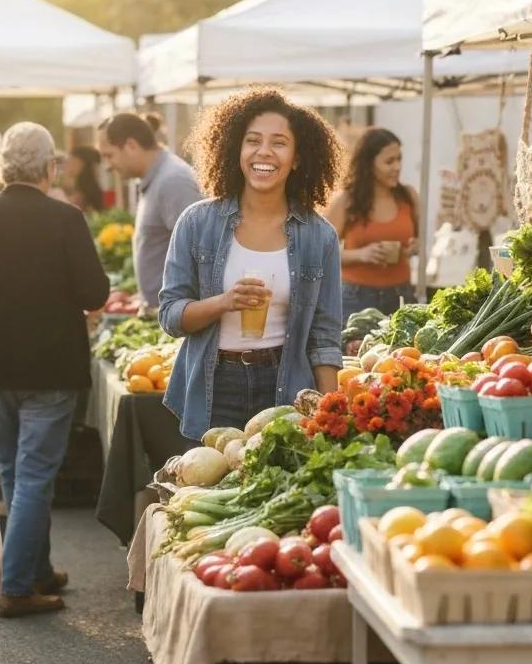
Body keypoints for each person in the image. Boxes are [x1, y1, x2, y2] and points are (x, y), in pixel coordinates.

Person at [0, 123, 110, 618]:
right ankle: (18, 586)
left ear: (3, 167)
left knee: (15, 473)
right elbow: (94, 294)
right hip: (51, 368)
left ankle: (37, 568)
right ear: (49, 168)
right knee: (35, 476)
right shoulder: (65, 218)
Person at [158, 88, 343, 439]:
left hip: (286, 384)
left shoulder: (320, 237)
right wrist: (224, 302)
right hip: (215, 384)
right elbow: (170, 315)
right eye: (253, 140)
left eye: (279, 143)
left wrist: (332, 411)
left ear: (298, 157)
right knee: (210, 490)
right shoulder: (197, 223)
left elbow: (325, 335)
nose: (264, 152)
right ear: (235, 149)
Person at [99, 113, 201, 308]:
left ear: (131, 146)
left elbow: (198, 254)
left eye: (109, 155)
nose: (108, 166)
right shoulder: (157, 179)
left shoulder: (173, 181)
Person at [323, 128, 419, 318]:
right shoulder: (346, 201)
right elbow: (320, 253)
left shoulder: (408, 196)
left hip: (401, 296)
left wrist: (415, 247)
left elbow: (419, 241)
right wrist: (361, 255)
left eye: (399, 159)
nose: (397, 167)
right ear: (368, 164)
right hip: (356, 299)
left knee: (403, 349)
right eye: (389, 161)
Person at [62, 145, 105, 213]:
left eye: (71, 159)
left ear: (82, 164)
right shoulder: (70, 189)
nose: (66, 163)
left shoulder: (80, 197)